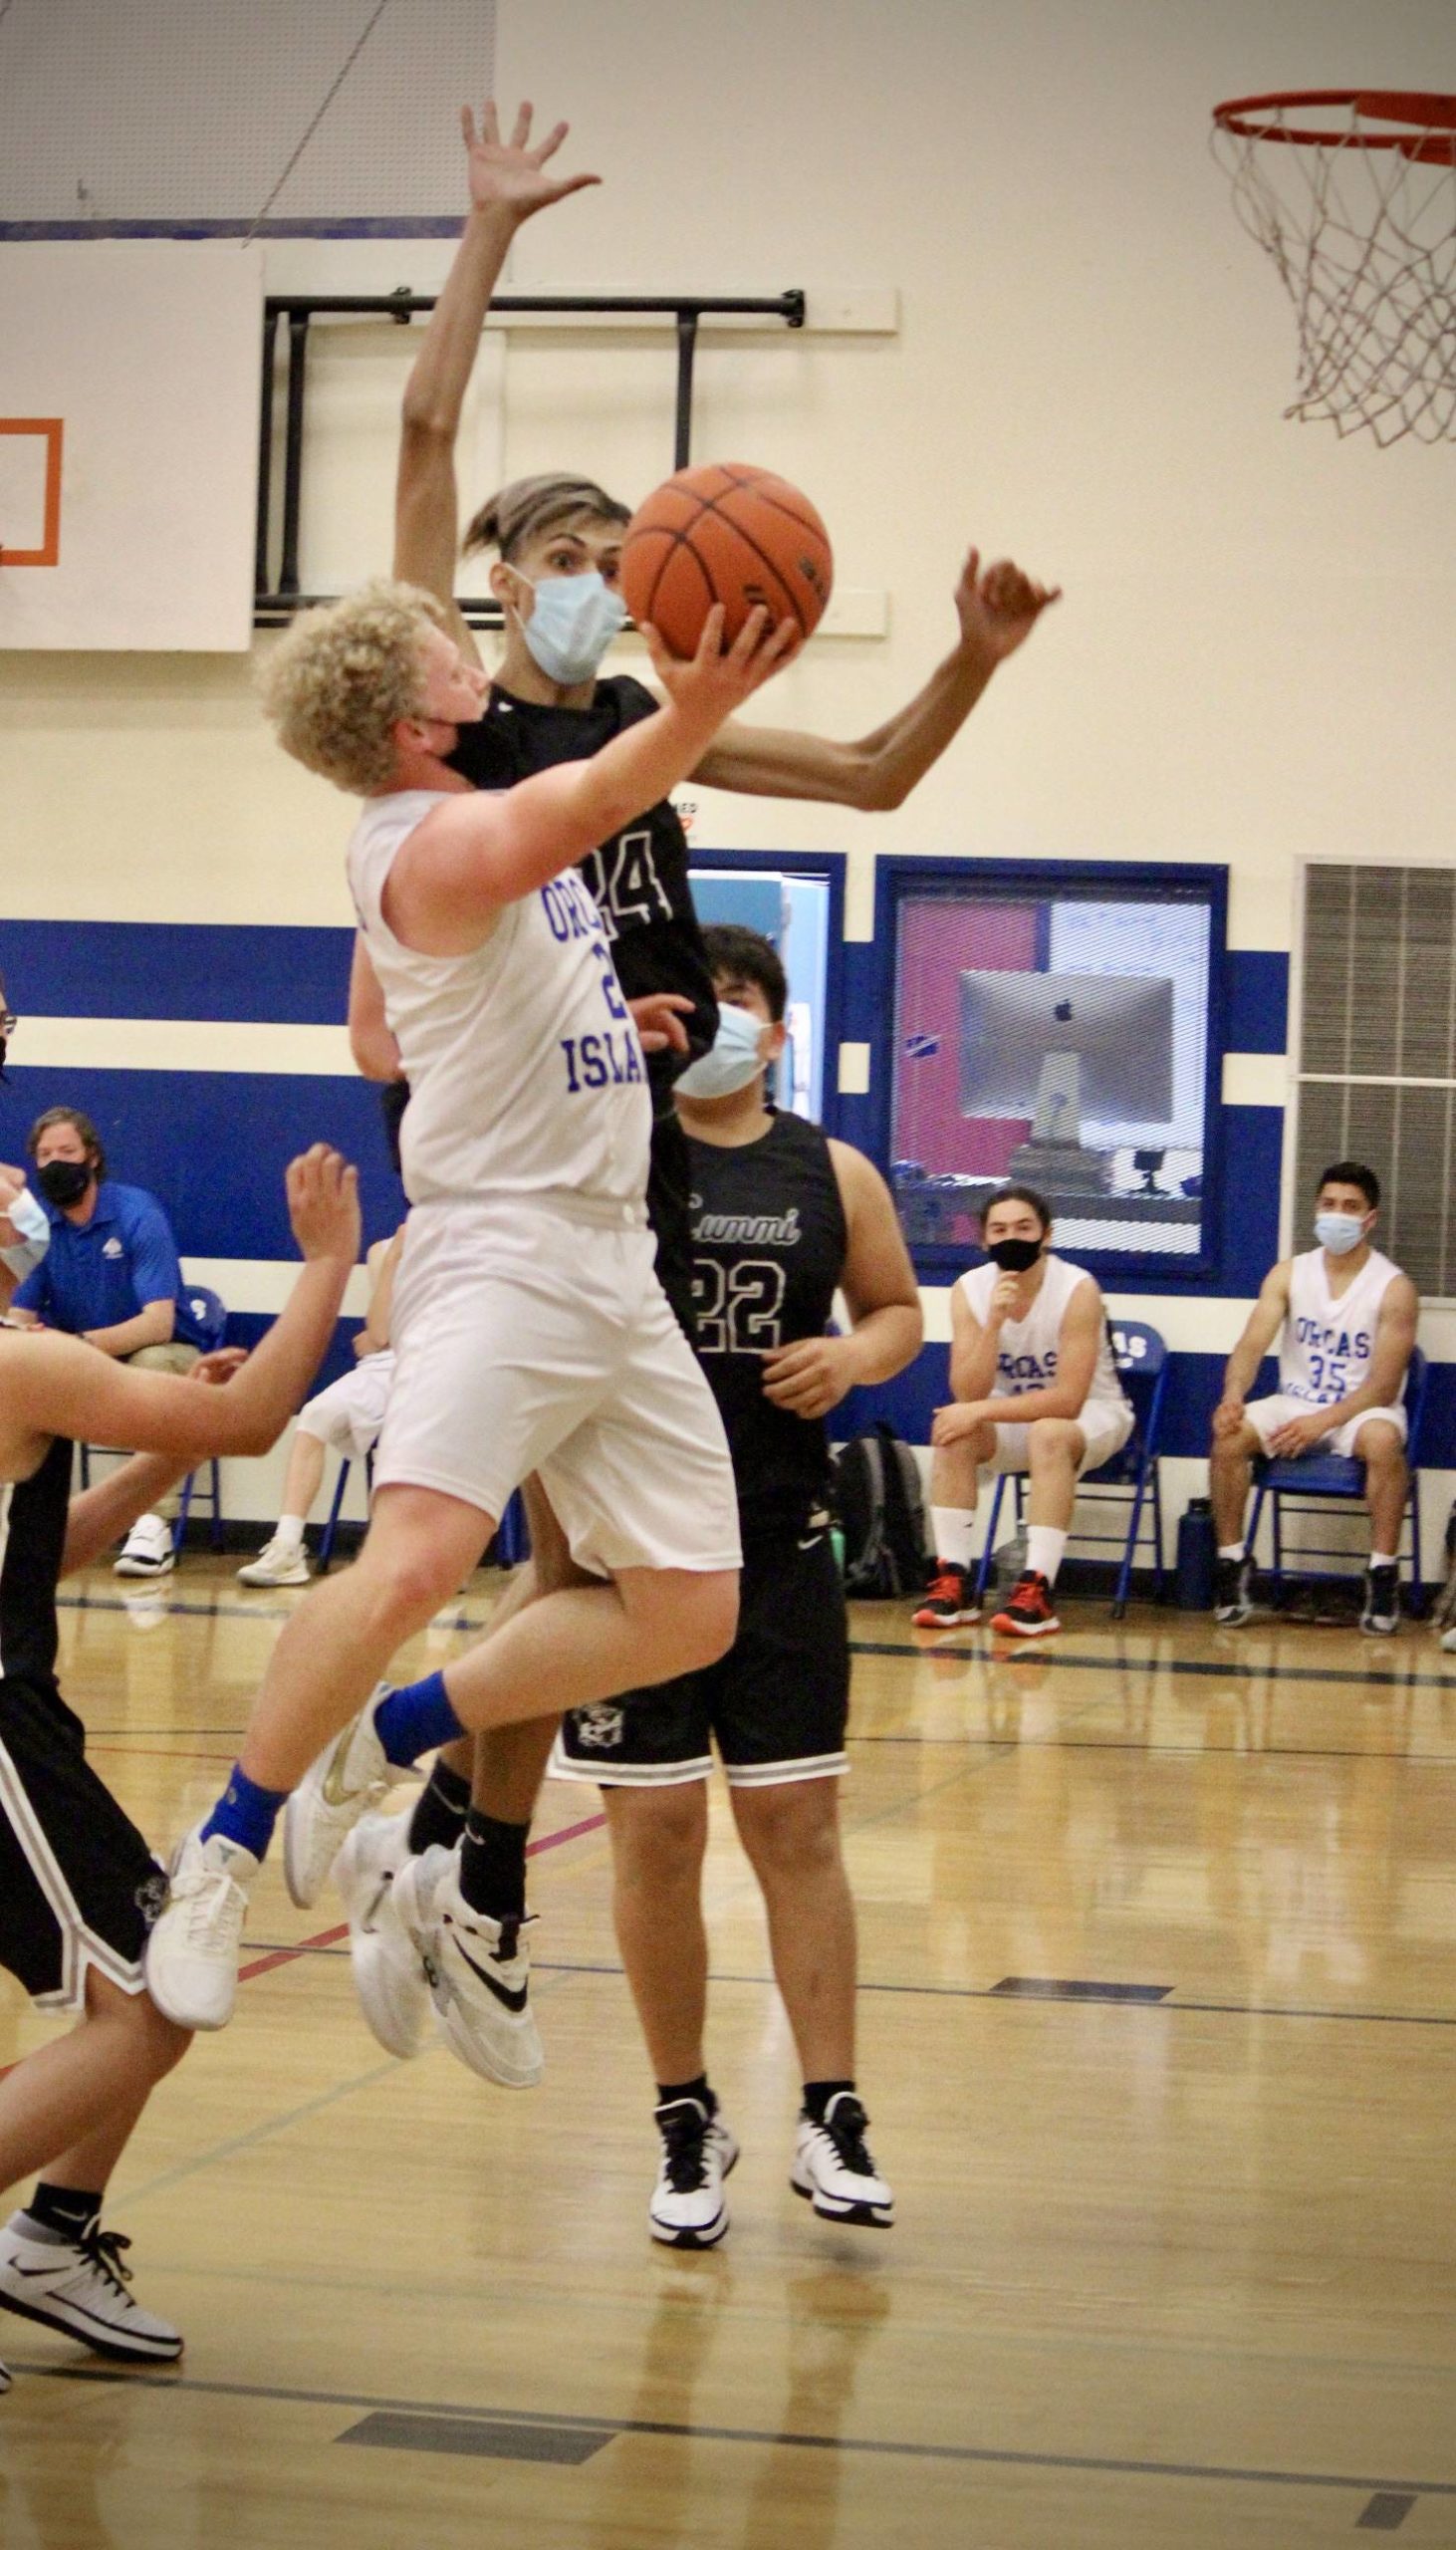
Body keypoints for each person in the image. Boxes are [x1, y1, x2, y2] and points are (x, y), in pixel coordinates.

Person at [340, 95, 1060, 2070]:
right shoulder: (461, 731)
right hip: (508, 1170)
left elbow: (882, 777)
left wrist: (977, 654)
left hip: (633, 1170)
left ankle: (464, 1859)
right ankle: (443, 1844)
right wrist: (484, 229)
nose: (585, 572)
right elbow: (413, 438)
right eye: (557, 551)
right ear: (490, 584)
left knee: (593, 1573)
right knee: (558, 1554)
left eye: (604, 548)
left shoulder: (664, 732)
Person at [142, 573, 799, 2039]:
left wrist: (574, 1027)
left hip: (606, 1254)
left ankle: (387, 1738)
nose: (476, 659)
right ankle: (223, 1851)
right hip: (503, 1249)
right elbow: (564, 816)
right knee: (413, 1563)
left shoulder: (444, 849)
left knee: (690, 1610)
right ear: (415, 714)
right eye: (452, 649)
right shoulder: (428, 836)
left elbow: (380, 1029)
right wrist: (693, 710)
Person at [541, 925, 919, 2244]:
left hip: (778, 1545)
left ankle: (831, 2109)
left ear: (776, 1023)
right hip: (629, 1555)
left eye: (738, 1001)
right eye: (695, 1002)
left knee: (797, 1834)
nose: (713, 1022)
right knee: (655, 1838)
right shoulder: (597, 1158)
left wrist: (853, 1360)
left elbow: (897, 1311)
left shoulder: (833, 1167)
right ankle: (684, 2114)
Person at [0, 1146, 359, 2397]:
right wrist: (324, 1266)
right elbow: (254, 1419)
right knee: (156, 1999)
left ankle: (47, 2240)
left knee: (150, 1975)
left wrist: (156, 1461)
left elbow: (39, 1555)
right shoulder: (17, 1357)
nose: (19, 1197)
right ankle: (41, 2235)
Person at [915, 1184, 1133, 1637]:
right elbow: (967, 1390)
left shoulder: (1077, 1288)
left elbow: (1068, 1400)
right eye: (999, 1229)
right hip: (1020, 1420)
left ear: (1046, 1235)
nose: (1010, 1236)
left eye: (1023, 1227)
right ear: (984, 1241)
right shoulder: (969, 1289)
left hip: (1095, 1415)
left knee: (1048, 1432)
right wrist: (994, 1323)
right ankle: (953, 1582)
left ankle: (1037, 1590)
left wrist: (978, 1411)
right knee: (953, 1430)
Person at [1210, 1160, 1417, 1635]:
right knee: (1228, 1436)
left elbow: (1384, 1386)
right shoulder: (1288, 1274)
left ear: (1370, 1219)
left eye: (1350, 1207)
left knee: (1385, 1442)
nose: (1337, 1215)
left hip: (1361, 1409)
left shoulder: (1394, 1288)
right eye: (1328, 1204)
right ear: (1316, 1209)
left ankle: (1383, 1572)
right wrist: (1232, 1396)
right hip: (1296, 1401)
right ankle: (1231, 1562)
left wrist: (1321, 1423)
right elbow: (1250, 1345)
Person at [9, 1107, 210, 1581]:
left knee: (151, 1359)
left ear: (93, 1158)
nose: (55, 1162)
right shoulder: (40, 1227)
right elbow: (19, 1315)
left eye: (67, 1152)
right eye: (44, 1154)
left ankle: (151, 1526)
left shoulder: (137, 1213)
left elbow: (158, 1323)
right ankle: (25, 1527)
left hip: (169, 1355)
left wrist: (78, 1346)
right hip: (88, 1357)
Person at [237, 1225, 404, 1588]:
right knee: (315, 1415)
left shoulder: (469, 1244)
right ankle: (287, 1546)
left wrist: (388, 1336)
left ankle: (416, 1555)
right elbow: (379, 1333)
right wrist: (394, 1262)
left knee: (413, 1434)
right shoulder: (383, 1251)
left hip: (444, 1364)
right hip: (388, 1364)